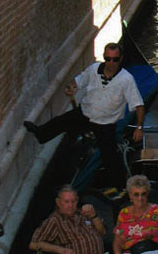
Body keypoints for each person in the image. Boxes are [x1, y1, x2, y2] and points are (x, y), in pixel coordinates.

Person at [25, 42, 144, 185]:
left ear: (121, 59)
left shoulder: (126, 79)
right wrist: (71, 88)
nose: (111, 63)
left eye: (115, 59)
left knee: (110, 158)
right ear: (104, 57)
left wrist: (139, 127)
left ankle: (118, 186)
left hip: (105, 124)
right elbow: (78, 81)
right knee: (60, 121)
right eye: (108, 59)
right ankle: (40, 133)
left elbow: (138, 104)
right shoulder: (93, 69)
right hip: (85, 114)